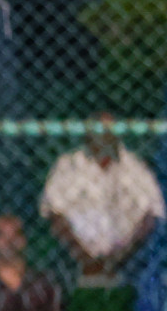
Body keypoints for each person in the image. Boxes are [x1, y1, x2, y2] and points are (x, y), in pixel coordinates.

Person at [41, 113, 164, 278]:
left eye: (110, 131)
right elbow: (53, 213)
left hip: (129, 262)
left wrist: (118, 258)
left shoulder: (135, 168)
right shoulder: (68, 166)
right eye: (99, 130)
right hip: (73, 261)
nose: (105, 136)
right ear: (88, 134)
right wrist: (85, 259)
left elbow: (152, 215)